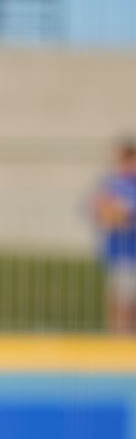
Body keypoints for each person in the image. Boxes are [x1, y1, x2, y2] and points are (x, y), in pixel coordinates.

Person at [91, 138, 136, 333]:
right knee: (118, 296)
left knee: (128, 298)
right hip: (119, 252)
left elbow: (123, 214)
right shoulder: (111, 183)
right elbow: (101, 211)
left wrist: (119, 214)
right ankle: (117, 335)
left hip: (131, 251)